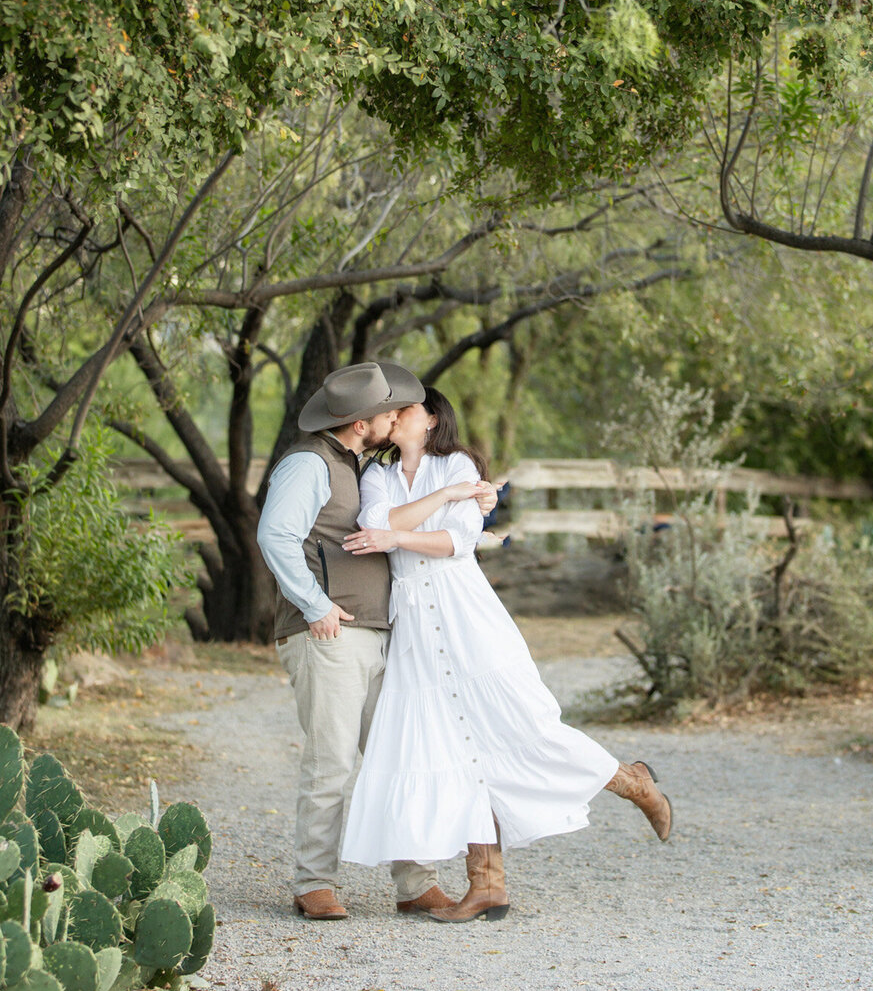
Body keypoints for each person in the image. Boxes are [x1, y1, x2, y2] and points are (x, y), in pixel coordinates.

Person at [338, 388, 672, 921]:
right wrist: (444, 502)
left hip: (465, 612)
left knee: (525, 727)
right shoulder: (376, 474)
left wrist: (400, 531)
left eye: (407, 407)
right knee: (454, 749)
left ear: (430, 419)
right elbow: (376, 524)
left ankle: (633, 782)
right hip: (416, 628)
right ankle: (487, 885)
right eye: (391, 409)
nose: (395, 414)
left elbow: (457, 542)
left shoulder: (459, 463)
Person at [256, 360, 498, 921]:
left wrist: (474, 503)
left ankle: (415, 883)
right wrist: (316, 607)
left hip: (382, 633)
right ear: (362, 422)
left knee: (401, 756)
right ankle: (313, 881)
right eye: (388, 411)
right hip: (331, 634)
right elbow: (276, 536)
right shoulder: (307, 464)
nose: (396, 417)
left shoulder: (364, 467)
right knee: (332, 761)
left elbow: (407, 524)